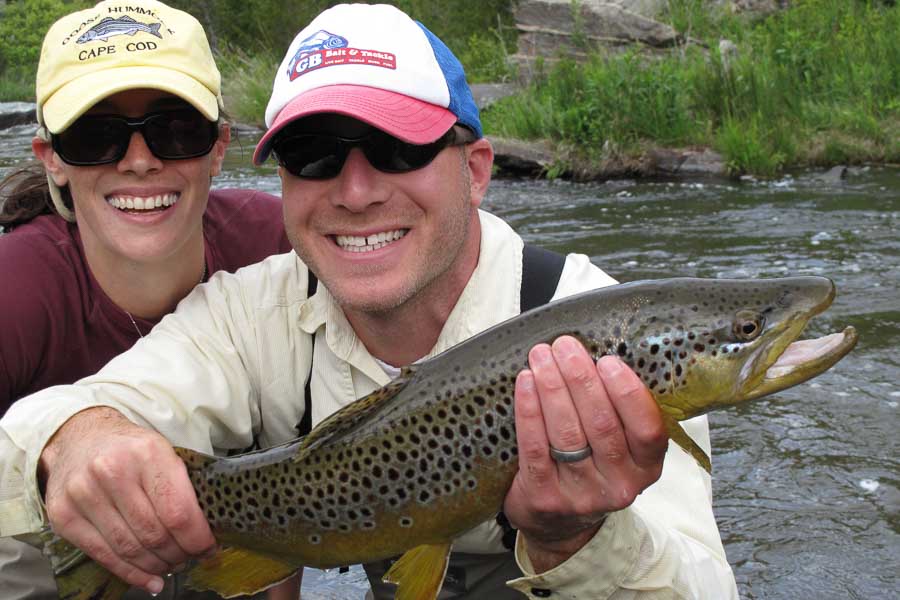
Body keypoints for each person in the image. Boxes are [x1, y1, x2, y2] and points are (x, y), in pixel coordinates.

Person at [0, 3, 740, 599]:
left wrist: (577, 540)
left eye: (397, 148)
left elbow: (704, 587)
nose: (356, 193)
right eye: (316, 154)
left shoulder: (609, 328)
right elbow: (43, 429)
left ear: (476, 171)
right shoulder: (252, 309)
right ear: (283, 180)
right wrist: (78, 438)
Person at [0, 1, 292, 598]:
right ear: (51, 158)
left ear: (217, 148)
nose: (139, 161)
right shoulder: (15, 291)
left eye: (174, 130)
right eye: (95, 136)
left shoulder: (281, 246)